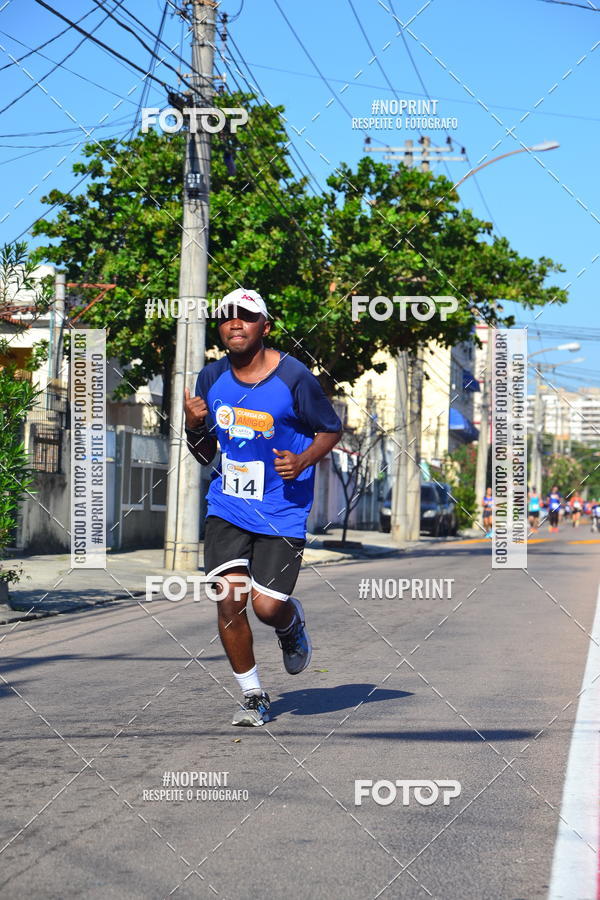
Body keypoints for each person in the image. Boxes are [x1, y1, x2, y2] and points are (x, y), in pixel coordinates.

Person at [184, 288, 342, 727]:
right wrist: (193, 426)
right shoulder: (210, 377)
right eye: (226, 317)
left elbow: (331, 429)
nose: (235, 323)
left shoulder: (293, 376)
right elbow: (204, 454)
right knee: (229, 599)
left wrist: (303, 460)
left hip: (282, 508)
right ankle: (253, 695)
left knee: (267, 608)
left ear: (265, 327)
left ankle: (290, 626)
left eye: (246, 316)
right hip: (228, 505)